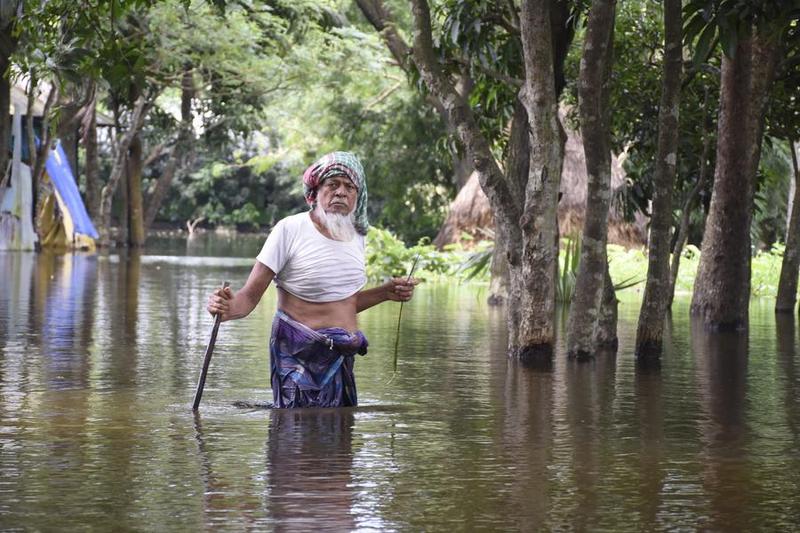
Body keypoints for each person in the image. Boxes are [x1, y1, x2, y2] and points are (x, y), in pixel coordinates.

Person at [206, 151, 417, 408]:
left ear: (357, 196)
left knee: (339, 442)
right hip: (297, 357)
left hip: (341, 359)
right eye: (332, 185)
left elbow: (342, 304)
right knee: (296, 439)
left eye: (349, 187)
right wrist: (226, 308)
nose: (341, 192)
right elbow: (249, 297)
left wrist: (385, 293)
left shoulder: (357, 237)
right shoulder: (290, 229)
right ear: (315, 193)